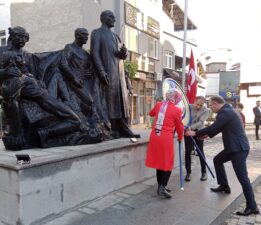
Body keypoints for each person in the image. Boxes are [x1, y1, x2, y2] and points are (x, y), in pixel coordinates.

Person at [185, 95, 260, 216]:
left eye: (210, 106)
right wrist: (207, 135)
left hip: (238, 149)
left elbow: (214, 126)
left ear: (215, 103)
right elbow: (220, 128)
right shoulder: (228, 110)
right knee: (217, 160)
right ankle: (224, 185)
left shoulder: (225, 112)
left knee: (243, 178)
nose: (210, 108)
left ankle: (252, 207)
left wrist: (195, 133)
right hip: (233, 147)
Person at [90, 10, 139, 139]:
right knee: (110, 100)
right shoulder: (97, 33)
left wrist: (124, 52)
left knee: (120, 101)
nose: (114, 20)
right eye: (112, 17)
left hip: (120, 73)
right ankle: (111, 128)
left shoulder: (116, 36)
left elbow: (121, 56)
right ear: (104, 18)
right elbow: (94, 53)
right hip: (108, 71)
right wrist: (101, 71)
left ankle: (122, 127)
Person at [145, 88, 184, 199]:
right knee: (167, 163)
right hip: (165, 138)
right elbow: (179, 127)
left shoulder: (159, 105)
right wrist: (180, 138)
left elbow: (151, 113)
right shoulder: (177, 110)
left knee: (159, 162)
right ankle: (162, 187)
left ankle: (160, 186)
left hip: (155, 136)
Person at [184, 96, 209, 182]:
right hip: (188, 130)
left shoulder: (205, 110)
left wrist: (191, 127)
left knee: (200, 151)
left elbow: (201, 122)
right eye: (197, 104)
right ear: (194, 101)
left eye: (200, 105)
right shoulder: (188, 107)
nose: (198, 106)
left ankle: (204, 172)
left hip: (199, 131)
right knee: (188, 152)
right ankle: (188, 173)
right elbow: (183, 117)